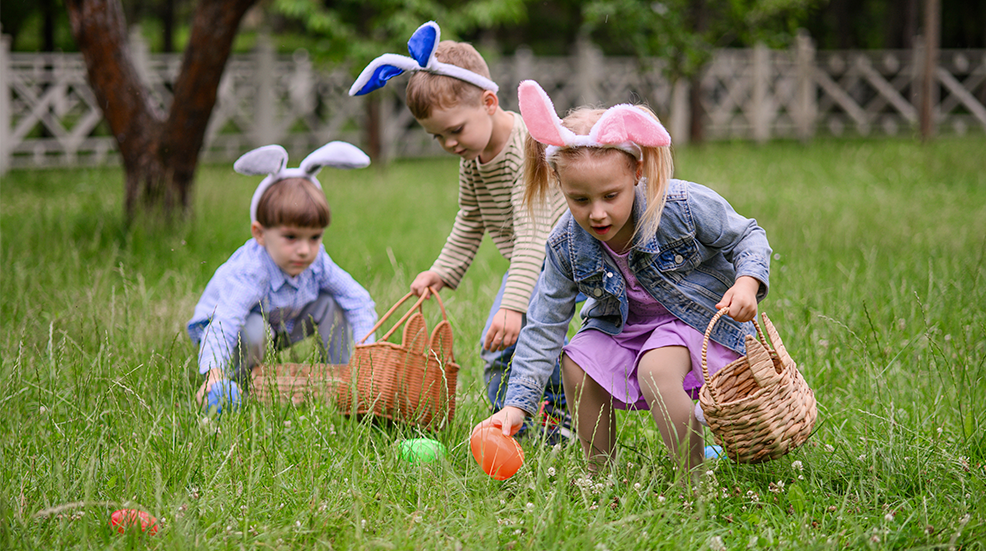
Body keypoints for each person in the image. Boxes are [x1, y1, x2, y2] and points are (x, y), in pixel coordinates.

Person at [481, 80, 772, 472]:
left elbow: (748, 235)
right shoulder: (565, 243)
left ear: (636, 171)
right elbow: (544, 324)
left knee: (657, 369)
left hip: (694, 321)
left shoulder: (679, 204)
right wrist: (518, 403)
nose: (596, 213)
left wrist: (747, 282)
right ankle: (600, 476)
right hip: (626, 330)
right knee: (576, 364)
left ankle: (694, 479)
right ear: (559, 183)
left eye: (610, 196)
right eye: (580, 200)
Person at [349, 22, 571, 441]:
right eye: (437, 137)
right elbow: (470, 219)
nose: (450, 144)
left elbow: (533, 232)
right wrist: (441, 271)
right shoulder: (472, 160)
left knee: (524, 340)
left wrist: (513, 304)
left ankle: (556, 424)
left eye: (455, 130)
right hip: (534, 267)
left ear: (489, 102)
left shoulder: (529, 148)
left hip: (568, 259)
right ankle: (513, 430)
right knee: (499, 347)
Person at [187, 141, 378, 413]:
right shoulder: (252, 269)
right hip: (231, 328)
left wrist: (366, 353)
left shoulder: (317, 260)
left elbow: (358, 299)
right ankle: (240, 385)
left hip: (280, 321)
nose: (304, 249)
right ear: (260, 233)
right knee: (252, 328)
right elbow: (225, 321)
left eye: (314, 237)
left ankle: (344, 379)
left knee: (333, 306)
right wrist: (213, 374)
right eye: (291, 237)